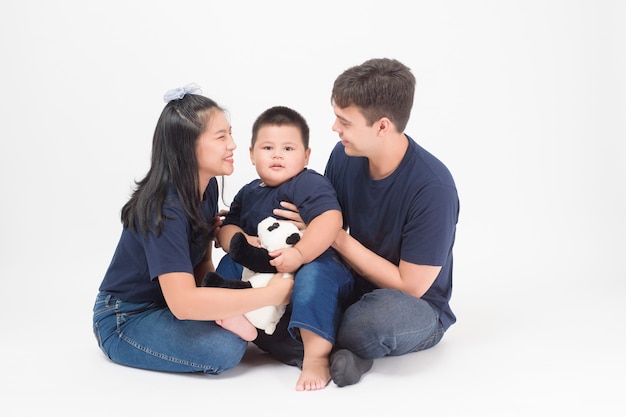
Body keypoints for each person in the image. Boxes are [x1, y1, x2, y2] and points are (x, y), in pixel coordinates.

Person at [276, 58, 460, 387]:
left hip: (412, 305)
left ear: (382, 127)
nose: (335, 128)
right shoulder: (344, 156)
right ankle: (342, 353)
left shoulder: (434, 188)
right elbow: (324, 233)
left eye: (344, 121)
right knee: (303, 282)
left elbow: (411, 285)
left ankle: (317, 342)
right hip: (355, 282)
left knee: (375, 320)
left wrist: (331, 234)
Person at [92, 84, 293, 374]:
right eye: (221, 137)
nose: (233, 145)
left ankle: (253, 319)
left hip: (173, 299)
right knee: (225, 348)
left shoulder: (206, 186)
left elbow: (200, 263)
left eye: (230, 133)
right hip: (128, 317)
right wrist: (272, 295)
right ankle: (252, 317)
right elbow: (183, 304)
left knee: (236, 265)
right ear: (188, 147)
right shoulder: (164, 207)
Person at [214, 105, 353, 391]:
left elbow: (330, 219)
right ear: (252, 154)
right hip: (266, 275)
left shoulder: (308, 183)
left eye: (288, 148)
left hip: (315, 265)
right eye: (268, 147)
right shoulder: (249, 191)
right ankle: (234, 315)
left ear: (306, 156)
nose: (277, 154)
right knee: (229, 265)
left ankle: (316, 357)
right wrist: (240, 241)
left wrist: (300, 254)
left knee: (313, 278)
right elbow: (228, 225)